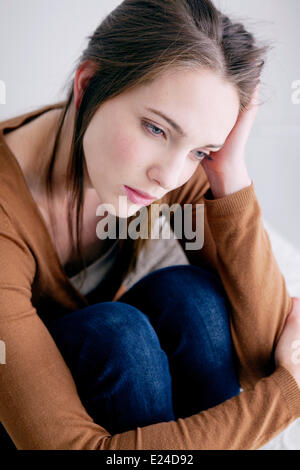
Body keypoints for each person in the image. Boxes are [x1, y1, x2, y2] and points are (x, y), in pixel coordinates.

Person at [0, 0, 300, 450]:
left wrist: (228, 170)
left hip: (117, 396)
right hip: (24, 420)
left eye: (201, 151)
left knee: (193, 301)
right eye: (156, 129)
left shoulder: (170, 170)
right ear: (88, 85)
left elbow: (260, 356)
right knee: (118, 336)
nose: (171, 176)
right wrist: (288, 396)